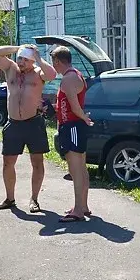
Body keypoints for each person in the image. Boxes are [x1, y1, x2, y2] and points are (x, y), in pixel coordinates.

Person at [0, 43, 54, 213]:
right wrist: (18, 47)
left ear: (32, 61)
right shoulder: (10, 68)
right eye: (20, 58)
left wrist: (38, 57)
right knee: (8, 163)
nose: (21, 62)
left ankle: (34, 199)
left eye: (26, 59)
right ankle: (10, 198)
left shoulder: (38, 72)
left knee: (37, 162)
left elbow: (52, 74)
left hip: (33, 122)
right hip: (13, 124)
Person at [51, 46, 94, 221]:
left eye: (53, 62)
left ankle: (78, 210)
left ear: (58, 61)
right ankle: (83, 206)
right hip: (72, 125)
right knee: (80, 168)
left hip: (73, 127)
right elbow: (69, 105)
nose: (53, 66)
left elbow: (75, 108)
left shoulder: (69, 78)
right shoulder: (74, 75)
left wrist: (84, 118)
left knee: (76, 170)